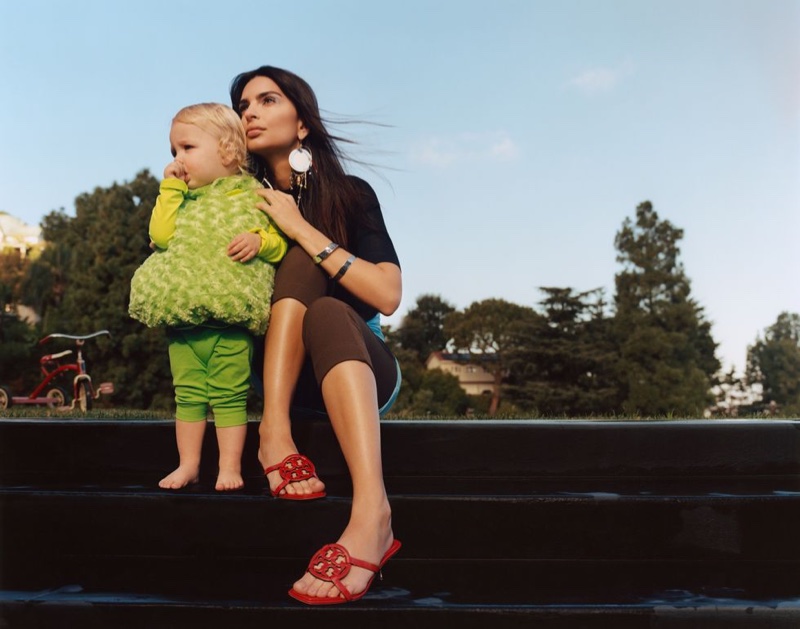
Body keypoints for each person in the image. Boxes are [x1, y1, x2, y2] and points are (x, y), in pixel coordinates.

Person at [229, 66, 402, 605]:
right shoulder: (233, 200)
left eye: (266, 99)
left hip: (358, 366)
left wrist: (300, 226)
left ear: (302, 124)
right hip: (279, 374)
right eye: (241, 105)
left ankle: (372, 513)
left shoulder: (351, 194)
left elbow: (388, 295)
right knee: (302, 271)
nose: (249, 112)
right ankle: (274, 427)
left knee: (325, 306)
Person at [129, 102, 287, 492]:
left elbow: (282, 243)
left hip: (228, 320)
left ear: (228, 150)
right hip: (183, 320)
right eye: (173, 152)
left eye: (187, 148)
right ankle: (189, 464)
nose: (177, 160)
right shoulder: (179, 199)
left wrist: (259, 240)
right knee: (188, 396)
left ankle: (229, 466)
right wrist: (169, 189)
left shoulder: (254, 196)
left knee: (230, 396)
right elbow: (162, 236)